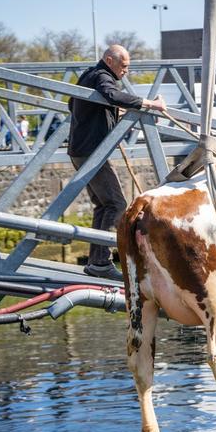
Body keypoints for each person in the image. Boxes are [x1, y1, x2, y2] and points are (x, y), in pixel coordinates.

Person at [68, 44, 166, 281]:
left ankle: (97, 262)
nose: (126, 71)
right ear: (110, 61)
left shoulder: (89, 75)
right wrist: (150, 104)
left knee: (103, 206)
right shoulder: (102, 76)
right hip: (91, 152)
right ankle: (100, 263)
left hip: (82, 151)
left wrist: (113, 114)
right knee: (117, 204)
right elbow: (111, 95)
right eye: (124, 66)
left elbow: (74, 104)